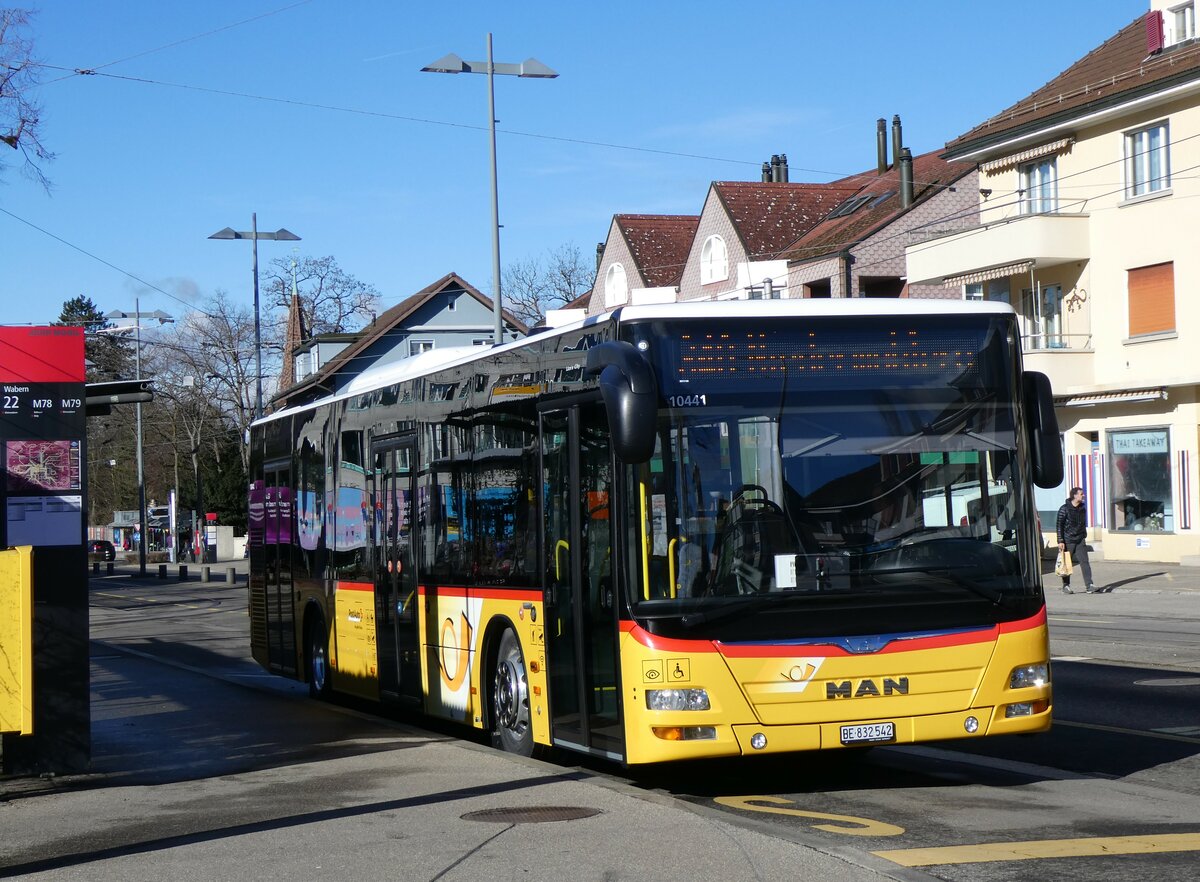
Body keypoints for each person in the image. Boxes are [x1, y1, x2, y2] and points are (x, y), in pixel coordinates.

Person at [1056, 487, 1097, 594]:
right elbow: (1059, 525)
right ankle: (1066, 586)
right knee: (1066, 564)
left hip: (1080, 539)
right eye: (1081, 494)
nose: (1083, 496)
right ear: (1074, 495)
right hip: (1068, 540)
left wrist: (1083, 535)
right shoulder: (1064, 509)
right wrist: (1060, 540)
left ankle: (1089, 585)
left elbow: (1082, 523)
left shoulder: (1082, 508)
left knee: (1085, 562)